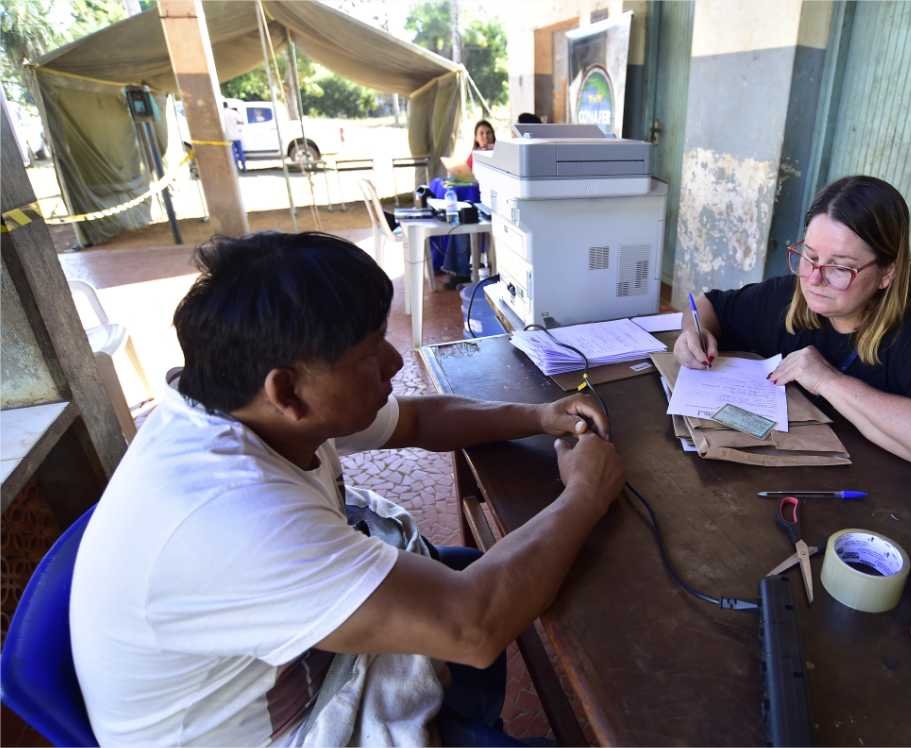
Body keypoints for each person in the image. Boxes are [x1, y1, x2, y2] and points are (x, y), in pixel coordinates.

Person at [70, 231, 625, 746]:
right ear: (286, 389)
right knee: (481, 603)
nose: (394, 360)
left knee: (460, 568)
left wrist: (538, 415)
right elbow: (472, 624)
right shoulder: (232, 516)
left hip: (295, 673)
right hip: (276, 732)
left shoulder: (246, 407)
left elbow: (416, 421)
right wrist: (585, 493)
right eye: (369, 352)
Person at [674, 175, 911, 488]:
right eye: (811, 256)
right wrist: (694, 332)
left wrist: (827, 381)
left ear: (886, 273)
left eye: (840, 267)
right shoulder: (796, 295)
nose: (815, 279)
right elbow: (708, 306)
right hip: (852, 480)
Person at [223, 101, 246, 172]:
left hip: (228, 136)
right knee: (240, 151)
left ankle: (237, 167)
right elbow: (242, 122)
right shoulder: (234, 113)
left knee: (232, 152)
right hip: (237, 135)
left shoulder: (221, 114)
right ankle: (244, 166)